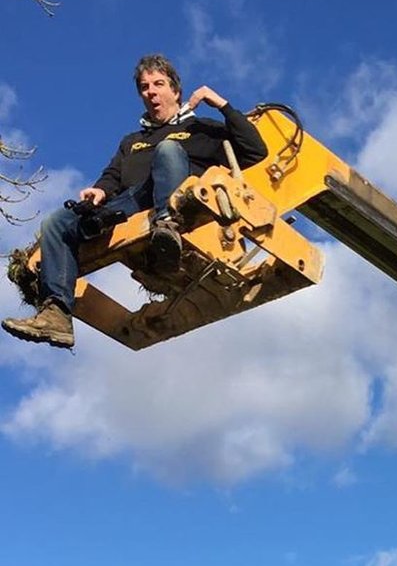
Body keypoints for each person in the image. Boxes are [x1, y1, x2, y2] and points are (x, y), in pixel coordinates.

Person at [2, 53, 267, 350]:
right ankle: (57, 315)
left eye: (158, 84)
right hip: (131, 201)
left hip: (180, 199)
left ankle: (167, 230)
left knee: (168, 150)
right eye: (144, 87)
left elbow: (256, 152)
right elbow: (113, 175)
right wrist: (100, 191)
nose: (151, 92)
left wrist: (220, 104)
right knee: (57, 223)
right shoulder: (132, 141)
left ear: (175, 91)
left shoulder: (202, 129)